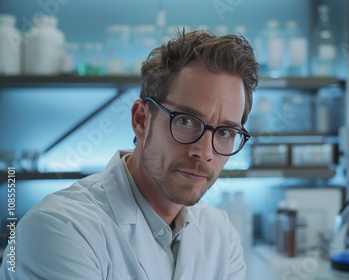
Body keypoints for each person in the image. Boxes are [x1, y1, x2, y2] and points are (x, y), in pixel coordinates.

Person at [0, 30, 259, 280]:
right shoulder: (59, 229)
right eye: (186, 121)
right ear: (141, 120)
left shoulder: (222, 235)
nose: (204, 152)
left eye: (225, 132)